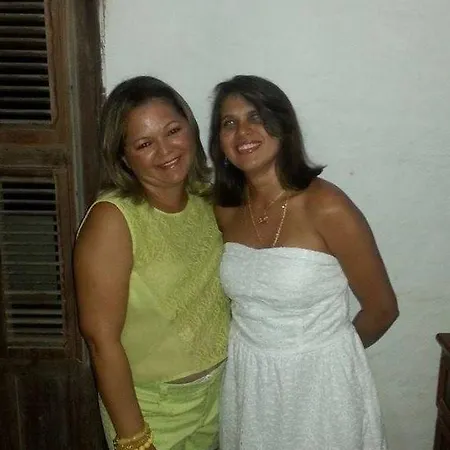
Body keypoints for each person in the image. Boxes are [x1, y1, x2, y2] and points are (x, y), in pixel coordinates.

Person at [208, 75, 399, 450]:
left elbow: (382, 309)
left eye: (256, 116)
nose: (243, 131)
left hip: (321, 389)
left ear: (283, 125)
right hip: (249, 384)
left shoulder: (328, 207)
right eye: (229, 123)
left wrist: (327, 357)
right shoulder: (225, 209)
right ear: (220, 142)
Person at [74, 76, 230, 450]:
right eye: (144, 144)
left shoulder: (206, 199)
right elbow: (101, 340)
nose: (165, 151)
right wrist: (135, 439)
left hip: (221, 395)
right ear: (123, 156)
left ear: (190, 127)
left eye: (172, 131)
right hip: (153, 408)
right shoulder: (113, 218)